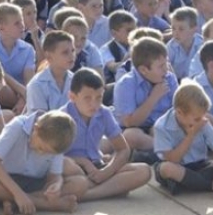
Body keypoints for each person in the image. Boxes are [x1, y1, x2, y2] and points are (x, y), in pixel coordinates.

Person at [61, 69, 152, 200]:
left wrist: (106, 172)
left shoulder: (104, 113)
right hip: (73, 169)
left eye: (99, 98)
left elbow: (122, 149)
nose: (94, 104)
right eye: (87, 98)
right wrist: (84, 162)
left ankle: (88, 195)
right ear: (72, 97)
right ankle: (110, 188)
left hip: (97, 166)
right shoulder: (62, 116)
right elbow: (53, 157)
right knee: (66, 167)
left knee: (144, 171)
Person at [0, 110, 88, 213]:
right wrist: (18, 194)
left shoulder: (57, 142)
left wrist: (56, 185)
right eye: (41, 148)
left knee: (81, 183)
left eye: (47, 153)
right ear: (36, 129)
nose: (41, 154)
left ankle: (14, 202)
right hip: (7, 181)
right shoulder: (17, 126)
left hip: (36, 183)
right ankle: (47, 205)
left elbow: (55, 176)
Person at [153, 81, 213, 195]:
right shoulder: (161, 126)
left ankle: (193, 184)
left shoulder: (201, 120)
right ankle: (208, 185)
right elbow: (173, 159)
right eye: (196, 119)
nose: (200, 121)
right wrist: (191, 135)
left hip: (200, 165)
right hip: (176, 166)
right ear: (179, 112)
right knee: (166, 169)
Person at [113, 37, 179, 154]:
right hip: (138, 128)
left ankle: (159, 151)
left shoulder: (169, 78)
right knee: (130, 136)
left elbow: (178, 108)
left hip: (162, 126)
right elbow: (130, 122)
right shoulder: (125, 84)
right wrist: (153, 97)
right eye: (160, 66)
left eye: (166, 64)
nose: (166, 70)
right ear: (144, 70)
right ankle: (167, 151)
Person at [0, 3, 35, 114]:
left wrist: (23, 99)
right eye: (17, 23)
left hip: (23, 96)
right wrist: (23, 93)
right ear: (1, 28)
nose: (22, 26)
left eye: (22, 21)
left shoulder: (28, 49)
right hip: (6, 93)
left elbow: (29, 79)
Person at [26, 31, 75, 113]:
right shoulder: (37, 85)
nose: (71, 56)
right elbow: (40, 121)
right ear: (49, 56)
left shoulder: (77, 81)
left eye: (73, 51)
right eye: (65, 52)